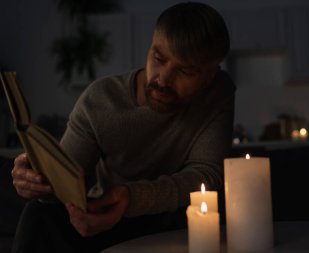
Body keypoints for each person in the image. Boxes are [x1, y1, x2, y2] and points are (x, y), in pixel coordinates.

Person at [10, 2, 235, 252]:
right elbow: (60, 184)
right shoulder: (100, 101)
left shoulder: (218, 92)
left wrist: (132, 198)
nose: (162, 79)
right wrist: (36, 180)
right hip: (104, 218)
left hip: (176, 220)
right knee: (40, 213)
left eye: (185, 71)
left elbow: (207, 175)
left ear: (210, 76)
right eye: (158, 58)